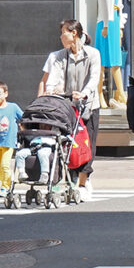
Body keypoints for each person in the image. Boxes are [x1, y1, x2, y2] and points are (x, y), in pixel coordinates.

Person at [39, 19, 102, 200]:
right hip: (66, 108)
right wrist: (51, 90)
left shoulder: (93, 54)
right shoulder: (60, 56)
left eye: (63, 33)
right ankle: (69, 178)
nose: (61, 37)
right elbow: (53, 78)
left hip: (88, 106)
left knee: (87, 144)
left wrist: (84, 93)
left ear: (73, 33)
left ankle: (83, 180)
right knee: (66, 142)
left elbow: (94, 78)